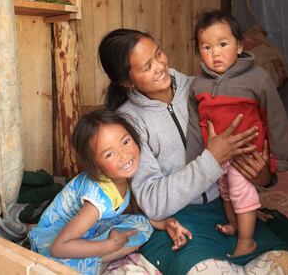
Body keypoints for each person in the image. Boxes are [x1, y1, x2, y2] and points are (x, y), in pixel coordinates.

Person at [98, 28, 288, 274]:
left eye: (159, 54)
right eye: (147, 66)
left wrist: (264, 175)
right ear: (126, 81)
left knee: (283, 265)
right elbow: (153, 203)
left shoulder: (203, 89)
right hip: (179, 221)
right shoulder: (127, 123)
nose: (160, 66)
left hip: (230, 209)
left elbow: (250, 149)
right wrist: (212, 159)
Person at [186, 10, 288, 257]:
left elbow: (276, 116)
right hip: (217, 154)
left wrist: (281, 159)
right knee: (225, 190)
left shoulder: (257, 78)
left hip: (246, 152)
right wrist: (195, 159)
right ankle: (235, 225)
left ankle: (247, 241)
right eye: (206, 47)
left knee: (239, 189)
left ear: (239, 46)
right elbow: (196, 124)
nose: (214, 53)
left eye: (222, 44)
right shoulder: (198, 85)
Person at [28, 110, 192, 275]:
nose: (124, 155)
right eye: (109, 154)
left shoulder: (122, 175)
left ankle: (96, 258)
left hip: (86, 228)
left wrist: (164, 223)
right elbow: (59, 248)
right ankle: (96, 262)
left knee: (141, 227)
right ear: (95, 166)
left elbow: (135, 207)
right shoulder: (97, 199)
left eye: (126, 141)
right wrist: (109, 245)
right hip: (56, 238)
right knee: (60, 268)